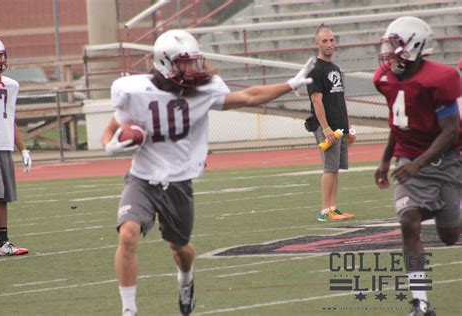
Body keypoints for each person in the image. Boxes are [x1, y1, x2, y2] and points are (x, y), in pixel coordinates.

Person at [101, 29, 316, 316]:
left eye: (195, 61)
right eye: (185, 63)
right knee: (127, 234)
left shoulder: (203, 90)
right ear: (166, 64)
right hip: (142, 178)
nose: (193, 69)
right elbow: (110, 130)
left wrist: (289, 84)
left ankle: (186, 280)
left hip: (178, 182)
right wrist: (112, 146)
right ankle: (129, 310)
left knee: (180, 250)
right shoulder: (137, 91)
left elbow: (250, 96)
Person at [373, 16, 460, 316]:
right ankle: (420, 303)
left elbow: (451, 131)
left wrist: (420, 164)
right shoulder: (384, 79)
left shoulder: (440, 78)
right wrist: (387, 159)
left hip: (445, 162)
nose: (388, 51)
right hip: (409, 159)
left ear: (414, 45)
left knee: (450, 236)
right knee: (408, 222)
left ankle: (449, 205)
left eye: (395, 44)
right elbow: (399, 122)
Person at [0, 36, 32, 256]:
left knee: (2, 197)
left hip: (4, 145)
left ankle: (3, 244)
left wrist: (23, 148)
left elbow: (10, 119)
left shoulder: (12, 85)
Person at [306, 24, 355, 221]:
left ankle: (333, 208)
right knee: (329, 168)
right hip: (327, 127)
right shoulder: (315, 69)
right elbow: (316, 100)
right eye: (324, 41)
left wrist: (349, 127)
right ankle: (324, 211)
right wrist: (325, 127)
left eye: (331, 40)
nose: (329, 44)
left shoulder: (335, 68)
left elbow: (341, 98)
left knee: (335, 169)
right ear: (317, 43)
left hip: (340, 125)